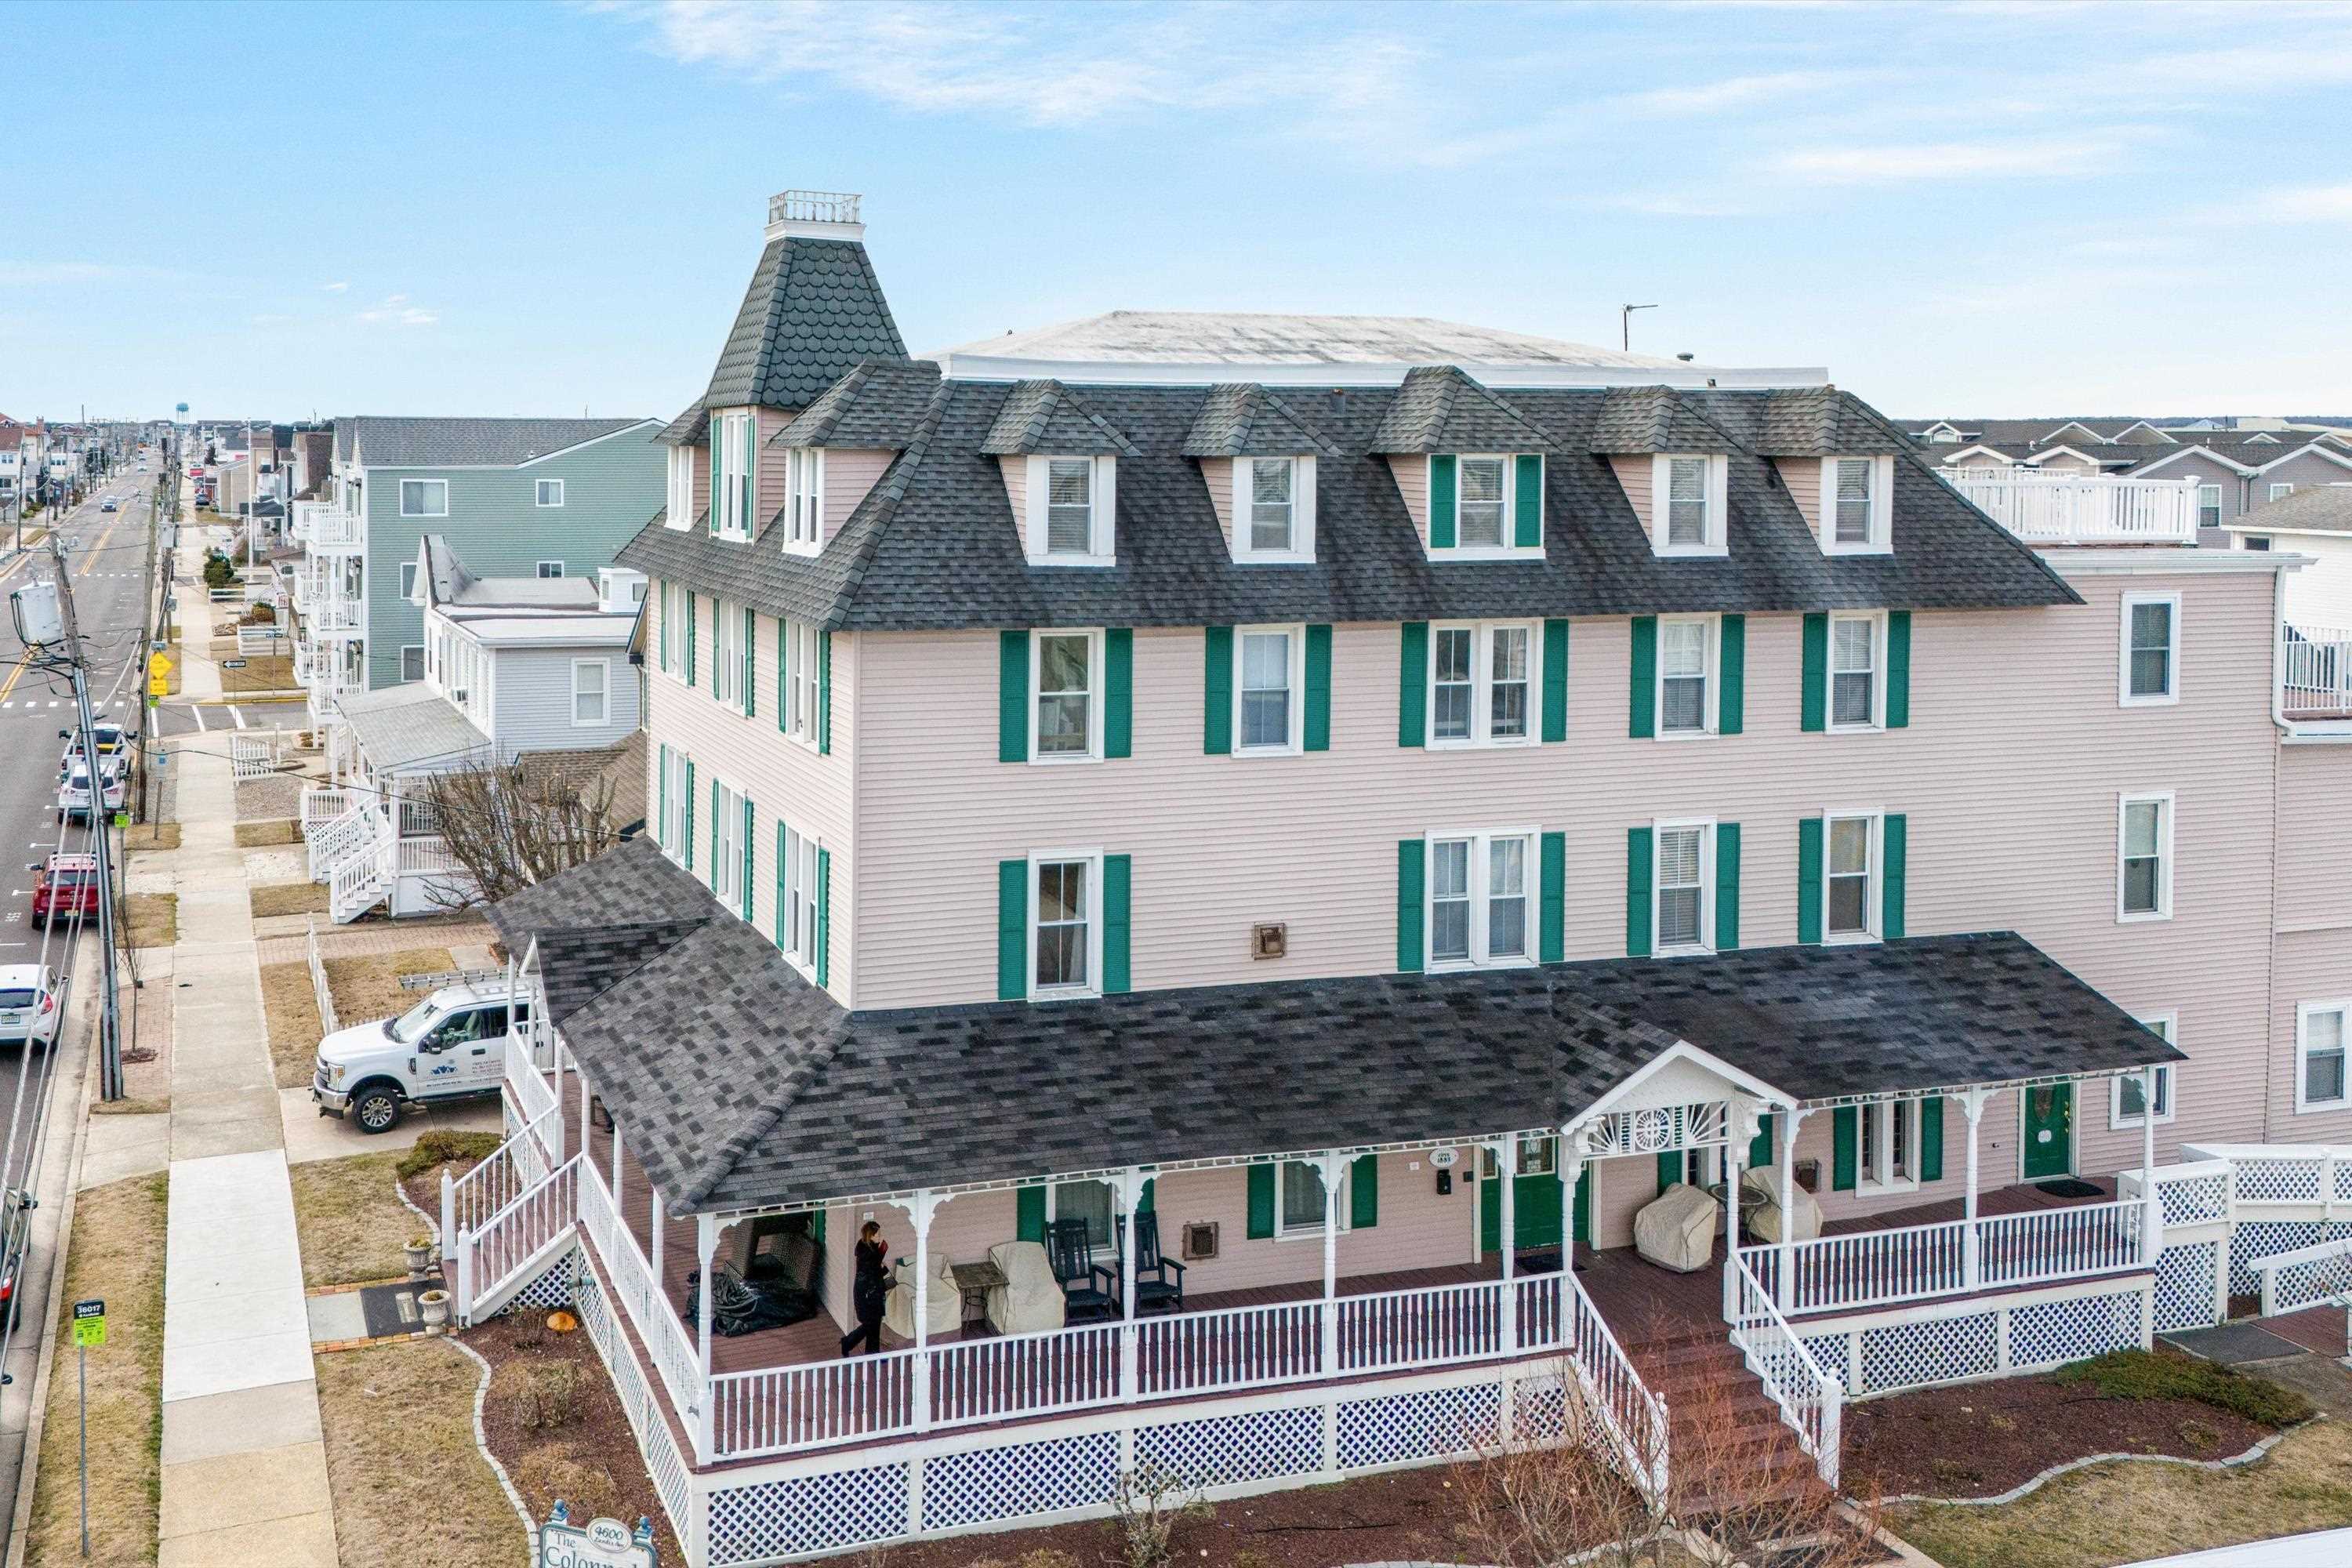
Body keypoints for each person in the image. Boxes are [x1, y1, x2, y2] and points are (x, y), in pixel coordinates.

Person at [839, 1220, 890, 1356]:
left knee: (875, 1324)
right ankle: (848, 1342)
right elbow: (876, 1271)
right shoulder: (869, 1254)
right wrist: (882, 1257)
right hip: (868, 1294)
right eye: (878, 1234)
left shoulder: (868, 1249)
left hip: (871, 1291)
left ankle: (872, 1353)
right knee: (870, 1324)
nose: (881, 1236)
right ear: (871, 1236)